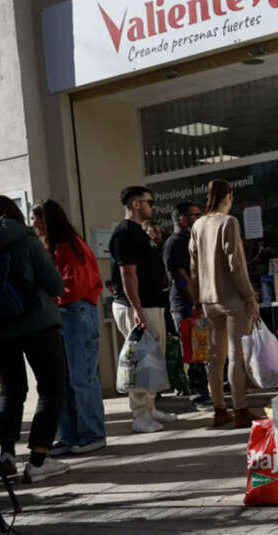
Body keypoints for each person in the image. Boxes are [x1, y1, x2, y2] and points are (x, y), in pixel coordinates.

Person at [0, 196, 70, 483]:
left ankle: (6, 454)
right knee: (51, 389)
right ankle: (38, 460)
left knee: (10, 390)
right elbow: (55, 284)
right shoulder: (26, 239)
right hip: (37, 325)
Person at [30, 199, 107, 455]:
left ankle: (91, 433)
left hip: (75, 313)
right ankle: (71, 435)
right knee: (66, 379)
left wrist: (49, 295)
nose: (33, 224)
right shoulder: (61, 246)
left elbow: (73, 287)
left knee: (81, 377)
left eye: (36, 218)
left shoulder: (69, 247)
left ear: (46, 220)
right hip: (68, 314)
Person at [189, 179, 263, 429]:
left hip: (208, 299)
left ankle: (219, 408)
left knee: (215, 356)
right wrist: (250, 297)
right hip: (231, 298)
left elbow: (193, 266)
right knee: (235, 355)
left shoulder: (198, 225)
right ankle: (240, 409)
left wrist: (196, 297)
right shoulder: (229, 222)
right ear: (228, 196)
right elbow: (236, 264)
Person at [109, 186, 178, 433]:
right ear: (136, 204)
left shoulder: (140, 232)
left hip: (150, 303)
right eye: (150, 201)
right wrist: (136, 308)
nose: (153, 205)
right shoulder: (125, 232)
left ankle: (150, 408)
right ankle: (139, 415)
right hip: (136, 306)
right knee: (140, 360)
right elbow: (127, 274)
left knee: (152, 358)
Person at [163, 201, 213, 411]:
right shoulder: (174, 243)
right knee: (193, 351)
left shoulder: (190, 240)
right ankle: (198, 395)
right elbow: (181, 277)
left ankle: (205, 391)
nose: (199, 218)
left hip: (195, 303)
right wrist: (194, 301)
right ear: (182, 219)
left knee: (200, 349)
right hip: (184, 305)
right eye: (195, 215)